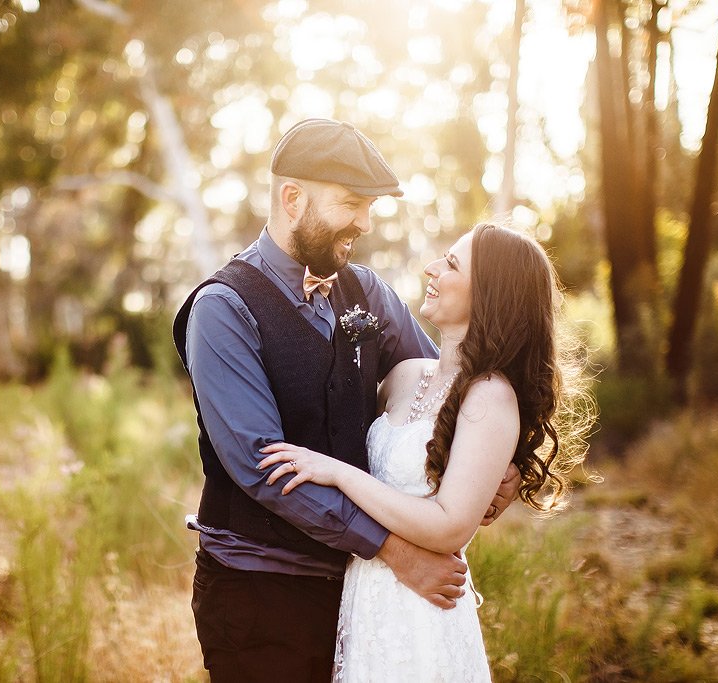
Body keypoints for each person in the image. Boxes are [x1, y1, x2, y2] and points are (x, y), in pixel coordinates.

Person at [172, 118, 520, 682]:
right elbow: (263, 468)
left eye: (369, 206)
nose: (365, 222)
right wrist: (393, 549)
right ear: (292, 199)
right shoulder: (222, 309)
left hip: (359, 595)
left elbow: (449, 393)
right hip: (261, 593)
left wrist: (507, 462)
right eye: (352, 204)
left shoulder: (366, 292)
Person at [259, 222, 593, 681]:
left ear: (491, 296)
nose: (432, 268)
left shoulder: (491, 396)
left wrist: (338, 475)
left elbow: (449, 526)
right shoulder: (405, 375)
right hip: (365, 595)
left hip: (423, 610)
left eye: (452, 264)